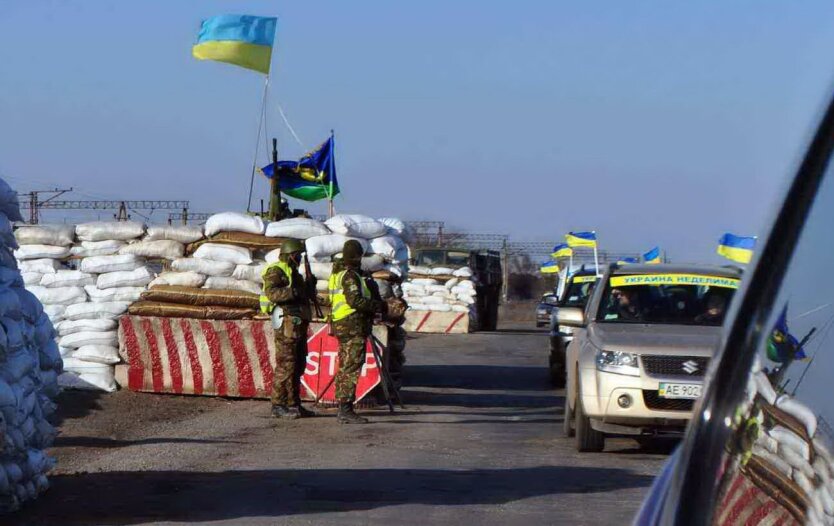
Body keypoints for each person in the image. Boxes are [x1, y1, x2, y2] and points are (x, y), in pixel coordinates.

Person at [328, 240, 388, 424]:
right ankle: (345, 409)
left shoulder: (338, 274)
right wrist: (378, 306)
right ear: (358, 256)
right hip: (351, 325)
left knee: (347, 366)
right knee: (351, 367)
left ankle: (344, 407)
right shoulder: (350, 276)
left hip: (343, 324)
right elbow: (355, 301)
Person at [260, 238, 315, 420]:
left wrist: (308, 288)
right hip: (285, 324)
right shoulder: (276, 271)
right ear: (290, 255)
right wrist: (295, 292)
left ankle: (293, 403)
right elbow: (272, 293)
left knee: (298, 365)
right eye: (297, 256)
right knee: (286, 365)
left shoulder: (294, 273)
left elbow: (302, 295)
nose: (299, 259)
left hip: (297, 324)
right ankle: (278, 405)